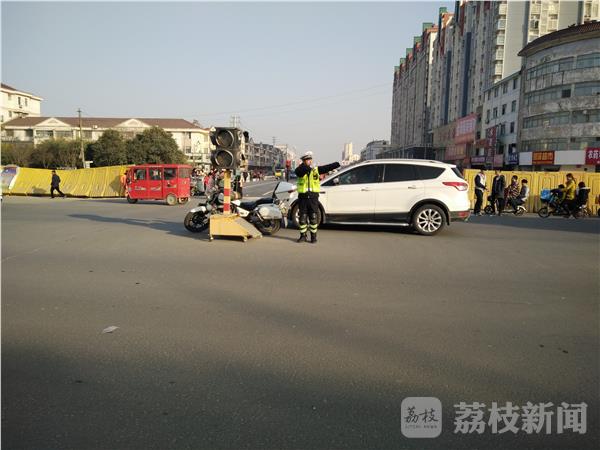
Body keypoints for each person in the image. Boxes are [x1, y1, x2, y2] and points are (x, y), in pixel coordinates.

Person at [294, 151, 340, 243]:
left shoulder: (315, 170)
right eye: (307, 160)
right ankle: (303, 236)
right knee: (302, 219)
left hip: (313, 198)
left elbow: (326, 167)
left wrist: (336, 164)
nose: (310, 161)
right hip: (303, 198)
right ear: (303, 161)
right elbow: (300, 172)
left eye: (310, 159)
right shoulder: (299, 170)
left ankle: (313, 237)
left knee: (313, 218)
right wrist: (306, 166)